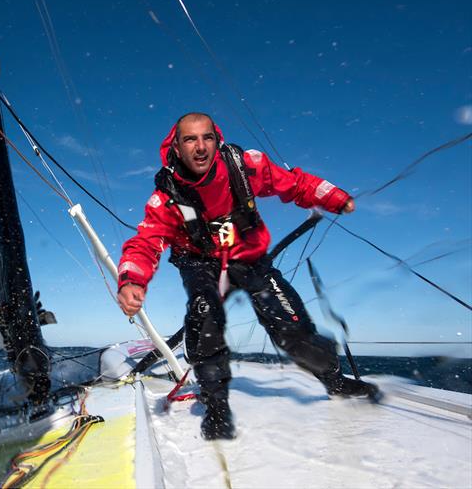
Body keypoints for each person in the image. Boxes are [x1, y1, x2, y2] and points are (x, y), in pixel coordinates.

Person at [116, 112, 379, 440]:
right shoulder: (166, 196)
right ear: (177, 148)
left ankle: (334, 380)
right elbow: (146, 240)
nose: (200, 147)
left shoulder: (244, 165)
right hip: (199, 261)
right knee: (205, 315)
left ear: (216, 139)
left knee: (290, 328)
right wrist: (132, 280)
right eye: (190, 140)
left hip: (248, 257)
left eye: (206, 138)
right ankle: (216, 407)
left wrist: (334, 198)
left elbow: (294, 184)